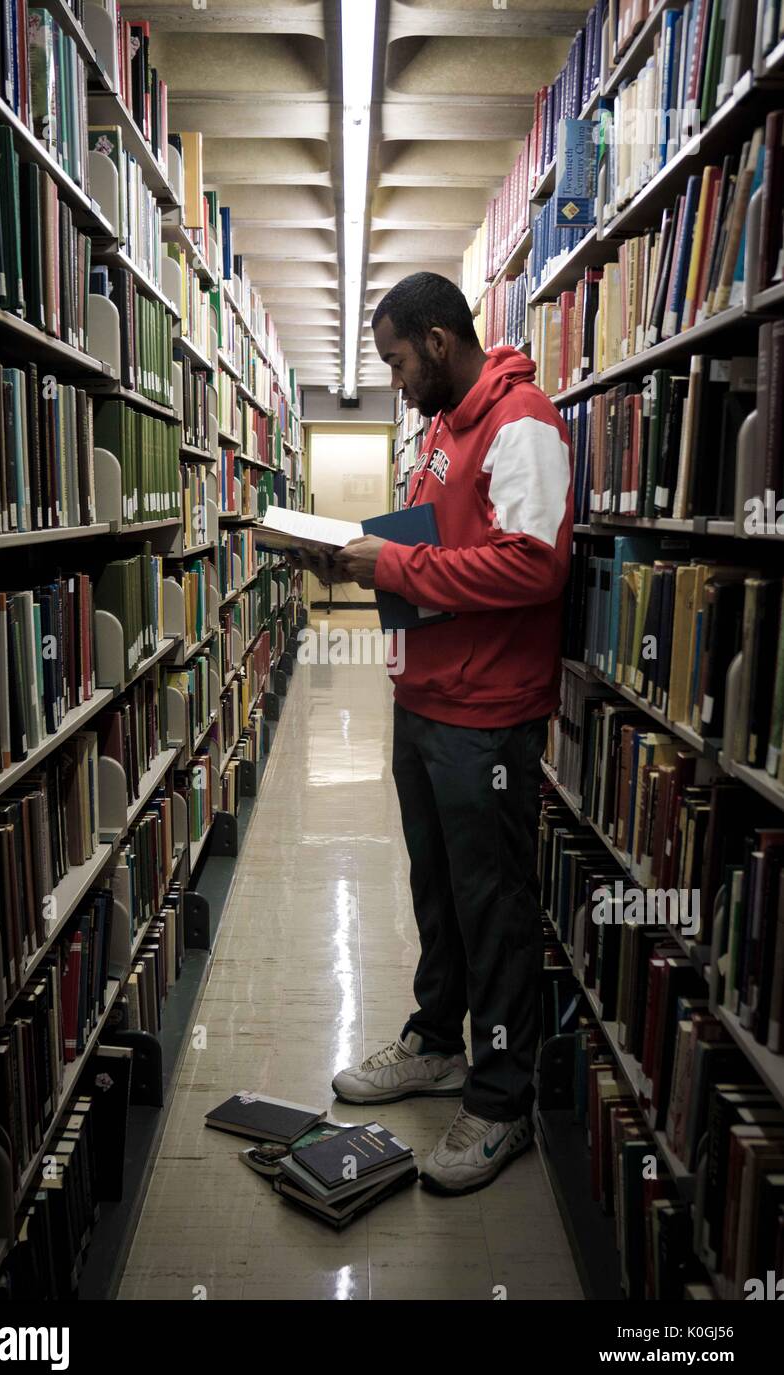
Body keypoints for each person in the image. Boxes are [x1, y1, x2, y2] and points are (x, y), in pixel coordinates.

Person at [314, 271, 573, 1195]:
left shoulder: (523, 422)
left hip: (487, 716)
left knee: (493, 906)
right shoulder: (438, 431)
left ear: (434, 338)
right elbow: (437, 541)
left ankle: (503, 1102)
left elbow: (533, 565)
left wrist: (401, 562)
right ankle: (436, 1041)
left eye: (394, 360)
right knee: (439, 890)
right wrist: (360, 554)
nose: (394, 380)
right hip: (423, 699)